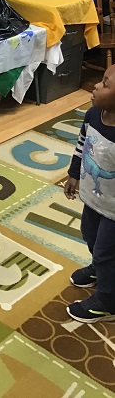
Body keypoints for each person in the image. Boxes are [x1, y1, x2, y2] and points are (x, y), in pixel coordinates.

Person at [64, 64, 115, 323]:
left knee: (108, 249)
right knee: (90, 234)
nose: (95, 85)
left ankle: (107, 301)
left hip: (114, 211)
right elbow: (82, 144)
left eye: (105, 84)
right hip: (94, 198)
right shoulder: (93, 115)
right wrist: (74, 173)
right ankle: (100, 270)